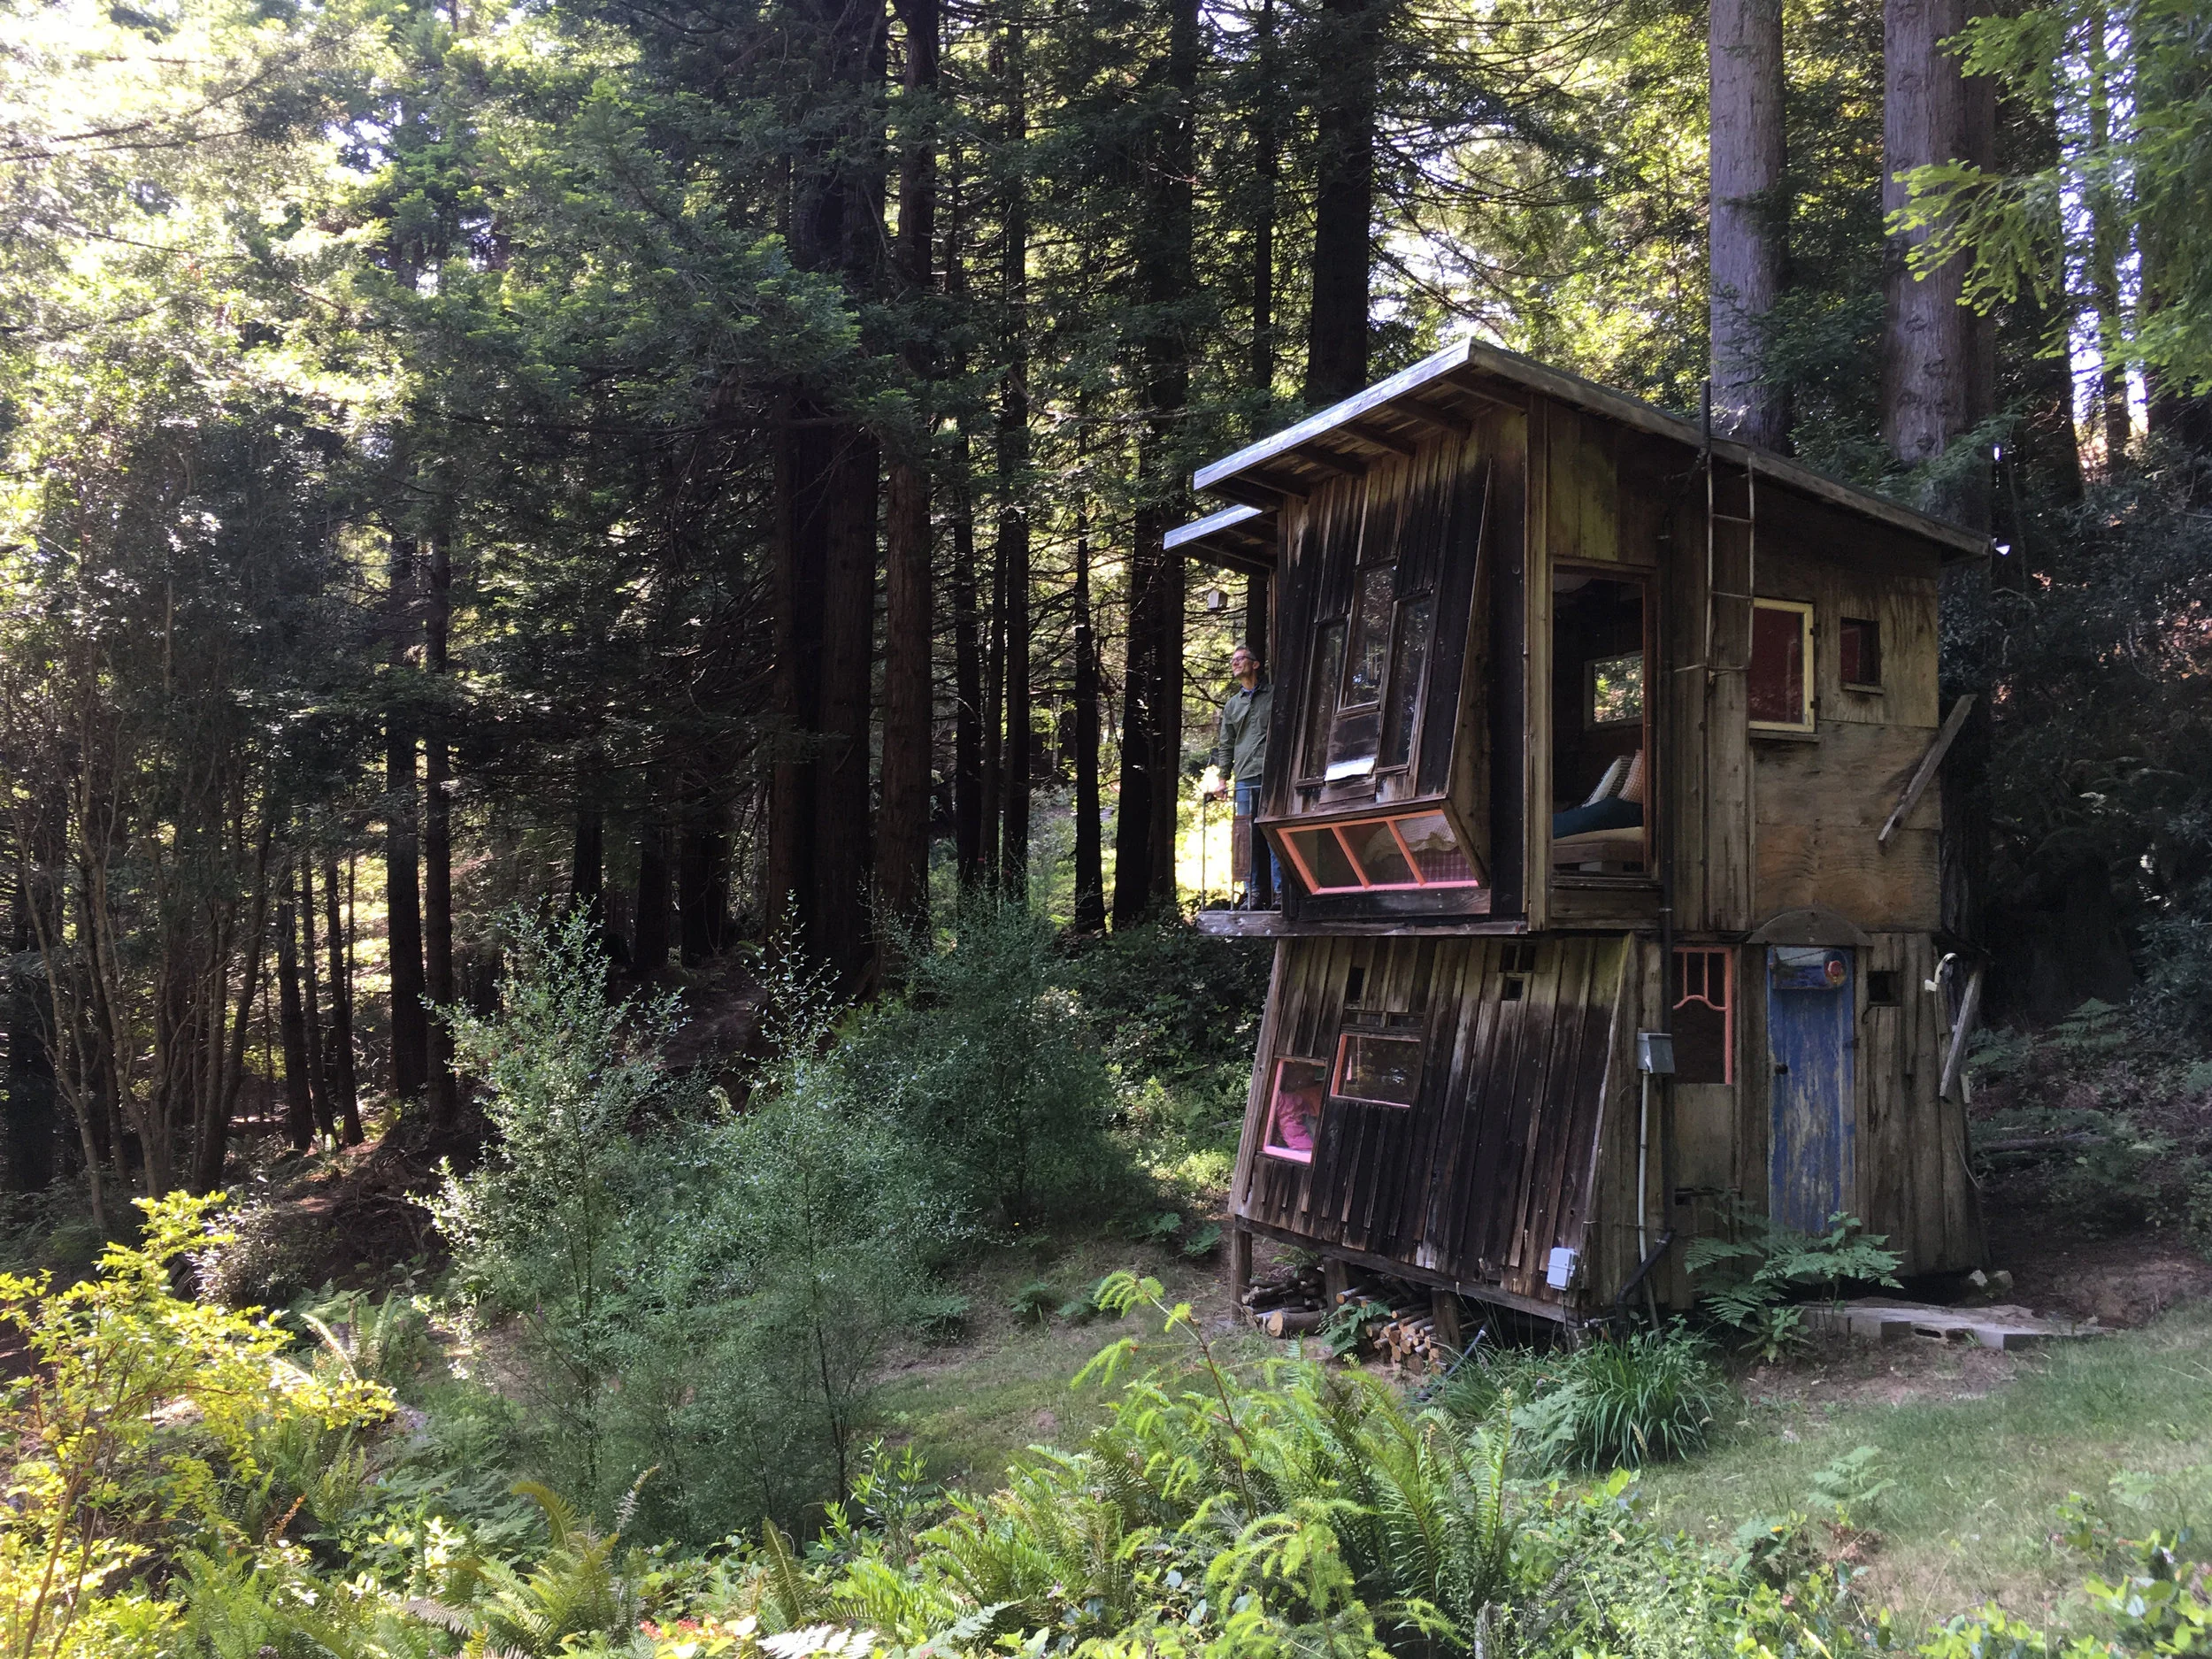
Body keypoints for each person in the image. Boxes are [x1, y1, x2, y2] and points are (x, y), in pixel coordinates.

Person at [1203, 645, 1276, 908]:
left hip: (1272, 775)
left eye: (1240, 659)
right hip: (1245, 776)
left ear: (1255, 664)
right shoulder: (1232, 705)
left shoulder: (1273, 695)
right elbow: (1226, 743)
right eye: (1232, 660)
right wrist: (1223, 779)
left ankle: (1280, 893)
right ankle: (1254, 893)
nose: (1234, 663)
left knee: (1274, 831)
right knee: (1247, 836)